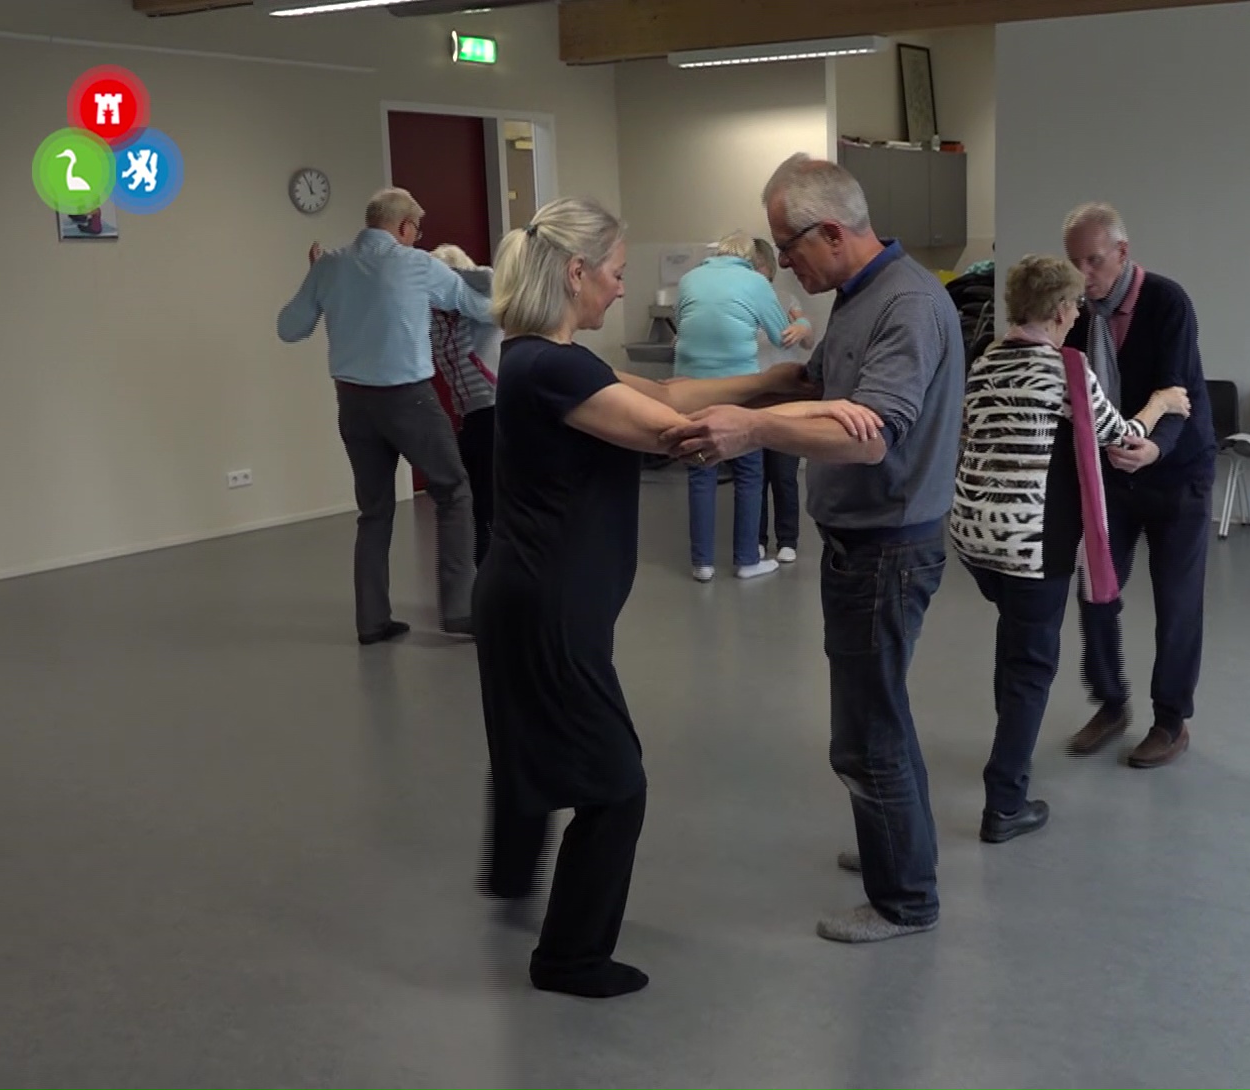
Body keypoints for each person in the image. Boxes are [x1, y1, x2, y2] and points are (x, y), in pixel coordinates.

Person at [472, 196, 878, 997]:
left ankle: (511, 876)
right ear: (577, 272)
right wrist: (818, 411)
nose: (622, 290)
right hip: (545, 606)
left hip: (533, 598)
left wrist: (772, 381)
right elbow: (673, 434)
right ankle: (569, 957)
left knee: (533, 742)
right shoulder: (551, 367)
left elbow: (666, 397)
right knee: (616, 785)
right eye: (617, 274)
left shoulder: (544, 355)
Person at [664, 153, 965, 944]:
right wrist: (752, 392)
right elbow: (826, 392)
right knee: (876, 720)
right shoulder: (862, 296)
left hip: (888, 547)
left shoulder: (909, 306)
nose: (785, 266)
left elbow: (871, 439)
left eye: (789, 247)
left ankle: (904, 898)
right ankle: (891, 847)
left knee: (869, 733)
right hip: (863, 544)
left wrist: (753, 429)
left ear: (831, 231)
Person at [949, 254, 1190, 841]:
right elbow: (1121, 434)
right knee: (1030, 667)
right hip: (1031, 543)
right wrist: (1163, 404)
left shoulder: (985, 361)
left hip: (975, 539)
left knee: (1016, 647)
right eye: (1076, 306)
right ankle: (1005, 803)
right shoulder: (1066, 369)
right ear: (1060, 310)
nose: (1079, 314)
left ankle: (1010, 758)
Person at [277, 187, 488, 644]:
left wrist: (316, 283)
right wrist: (527, 300)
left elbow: (288, 329)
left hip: (352, 403)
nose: (416, 238)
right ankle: (459, 612)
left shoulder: (330, 265)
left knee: (374, 512)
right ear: (404, 227)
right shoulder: (416, 264)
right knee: (454, 491)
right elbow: (476, 306)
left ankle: (372, 622)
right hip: (408, 400)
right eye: (417, 230)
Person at [1059, 202, 1219, 768]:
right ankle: (1110, 702)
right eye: (1074, 261)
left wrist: (1154, 448)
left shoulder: (1167, 301)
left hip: (1178, 470)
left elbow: (1178, 389)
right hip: (1111, 474)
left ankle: (1171, 720)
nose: (1084, 274)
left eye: (1094, 260)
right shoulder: (1074, 312)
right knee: (1096, 587)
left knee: (1177, 602)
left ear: (1122, 253)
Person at [672, 232, 807, 581]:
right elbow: (781, 337)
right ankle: (747, 559)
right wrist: (803, 323)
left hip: (690, 389)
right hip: (738, 389)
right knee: (749, 473)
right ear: (750, 259)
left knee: (700, 472)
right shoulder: (753, 281)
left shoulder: (688, 279)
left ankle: (702, 563)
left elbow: (682, 324)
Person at [427, 243, 503, 566]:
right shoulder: (435, 322)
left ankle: (486, 580)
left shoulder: (482, 309)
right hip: (469, 416)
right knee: (471, 502)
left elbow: (491, 279)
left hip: (497, 410)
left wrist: (451, 273)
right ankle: (479, 580)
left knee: (485, 503)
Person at [752, 236, 814, 565]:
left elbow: (808, 341)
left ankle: (787, 538)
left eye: (757, 266)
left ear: (769, 268)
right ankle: (757, 539)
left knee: (784, 475)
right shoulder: (738, 303)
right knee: (754, 477)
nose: (752, 272)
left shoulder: (785, 298)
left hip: (785, 400)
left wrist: (803, 330)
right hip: (752, 397)